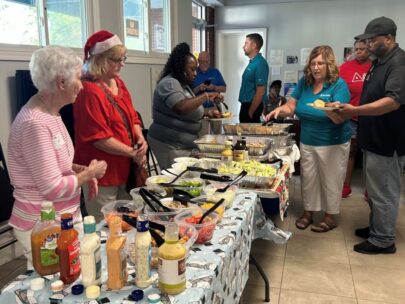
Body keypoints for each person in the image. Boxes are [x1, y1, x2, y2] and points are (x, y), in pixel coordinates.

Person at [7, 46, 107, 269]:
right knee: (56, 284)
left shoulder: (51, 113)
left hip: (62, 218)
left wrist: (78, 170)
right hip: (43, 225)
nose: (81, 86)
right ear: (61, 83)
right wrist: (90, 173)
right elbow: (51, 187)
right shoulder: (35, 124)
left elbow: (49, 163)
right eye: (78, 79)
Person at [265, 45, 351, 232]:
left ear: (329, 65)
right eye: (313, 63)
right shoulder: (305, 82)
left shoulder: (339, 85)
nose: (316, 67)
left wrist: (331, 109)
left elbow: (341, 117)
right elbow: (291, 106)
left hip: (333, 142)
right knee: (309, 178)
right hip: (308, 140)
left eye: (321, 63)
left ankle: (329, 216)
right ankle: (309, 212)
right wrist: (280, 111)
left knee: (331, 179)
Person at [338, 17, 405, 254]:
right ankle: (378, 228)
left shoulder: (398, 63)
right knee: (375, 190)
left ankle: (383, 239)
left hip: (387, 140)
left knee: (385, 190)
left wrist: (355, 111)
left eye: (372, 40)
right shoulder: (380, 61)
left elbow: (393, 102)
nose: (368, 45)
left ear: (388, 38)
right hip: (373, 138)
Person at [73, 30, 147, 222]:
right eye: (116, 59)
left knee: (127, 222)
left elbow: (133, 117)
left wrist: (140, 137)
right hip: (102, 175)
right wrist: (133, 153)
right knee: (106, 227)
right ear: (100, 60)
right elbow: (99, 139)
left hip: (124, 170)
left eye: (124, 58)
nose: (122, 63)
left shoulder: (118, 83)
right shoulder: (88, 91)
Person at [147, 42, 223, 170]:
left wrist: (206, 113)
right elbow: (181, 107)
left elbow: (191, 108)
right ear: (181, 69)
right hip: (169, 145)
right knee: (178, 181)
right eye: (192, 69)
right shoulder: (169, 83)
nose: (195, 74)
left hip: (184, 145)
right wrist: (206, 96)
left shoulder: (183, 84)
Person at [339, 39, 372, 198]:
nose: (359, 52)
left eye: (363, 49)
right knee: (350, 152)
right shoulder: (345, 67)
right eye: (357, 49)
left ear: (370, 49)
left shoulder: (375, 66)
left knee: (370, 153)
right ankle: (345, 186)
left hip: (370, 117)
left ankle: (370, 188)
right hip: (351, 116)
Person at [192, 51, 227, 134]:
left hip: (214, 107)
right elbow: (188, 93)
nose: (205, 64)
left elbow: (224, 88)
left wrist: (214, 87)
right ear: (198, 61)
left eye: (207, 62)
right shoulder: (193, 73)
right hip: (200, 109)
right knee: (202, 134)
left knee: (217, 134)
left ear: (209, 61)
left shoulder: (215, 72)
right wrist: (198, 88)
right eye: (202, 61)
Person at [239, 33, 269, 123]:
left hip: (252, 107)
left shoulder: (260, 63)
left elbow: (260, 92)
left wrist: (250, 112)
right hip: (246, 106)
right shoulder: (252, 63)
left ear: (254, 45)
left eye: (246, 43)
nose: (243, 46)